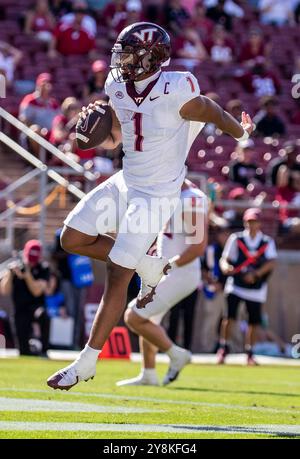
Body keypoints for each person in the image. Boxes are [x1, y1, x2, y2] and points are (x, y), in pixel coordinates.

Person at [46, 21, 254, 391]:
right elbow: (115, 139)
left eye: (128, 54)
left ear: (150, 58)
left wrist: (240, 132)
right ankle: (148, 265)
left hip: (156, 193)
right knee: (71, 237)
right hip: (127, 180)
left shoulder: (178, 87)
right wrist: (87, 136)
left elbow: (208, 109)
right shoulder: (116, 86)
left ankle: (85, 362)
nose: (121, 60)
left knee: (117, 275)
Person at [117, 179, 208, 386]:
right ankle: (148, 374)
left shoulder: (191, 198)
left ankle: (176, 354)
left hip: (180, 273)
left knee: (134, 316)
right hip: (171, 271)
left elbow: (198, 246)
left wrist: (168, 267)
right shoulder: (174, 195)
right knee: (150, 320)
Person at [218, 208, 277, 365]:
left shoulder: (267, 241)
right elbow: (225, 259)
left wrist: (256, 274)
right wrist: (225, 268)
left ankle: (250, 352)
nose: (252, 224)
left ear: (260, 223)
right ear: (245, 222)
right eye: (249, 221)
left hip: (256, 288)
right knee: (229, 317)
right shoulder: (236, 238)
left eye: (255, 221)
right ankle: (224, 348)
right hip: (235, 285)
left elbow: (271, 262)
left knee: (253, 322)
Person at [0, 240, 50, 356]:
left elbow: (37, 292)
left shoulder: (44, 268)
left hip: (36, 307)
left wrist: (27, 276)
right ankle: (30, 349)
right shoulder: (16, 267)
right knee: (23, 352)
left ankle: (44, 350)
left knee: (43, 315)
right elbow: (4, 291)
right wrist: (10, 274)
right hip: (19, 309)